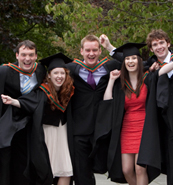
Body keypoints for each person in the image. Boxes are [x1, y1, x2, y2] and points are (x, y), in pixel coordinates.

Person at [93, 42, 173, 185]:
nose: (131, 62)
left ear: (139, 60)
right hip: (127, 129)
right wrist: (111, 80)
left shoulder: (147, 77)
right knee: (127, 170)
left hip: (145, 128)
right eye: (127, 59)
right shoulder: (121, 82)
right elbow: (107, 101)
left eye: (134, 58)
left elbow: (163, 70)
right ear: (124, 62)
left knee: (140, 168)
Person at [1, 53, 75, 185]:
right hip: (46, 134)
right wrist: (12, 101)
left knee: (65, 170)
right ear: (49, 75)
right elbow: (28, 103)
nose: (59, 76)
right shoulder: (42, 91)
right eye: (56, 73)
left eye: (62, 73)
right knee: (46, 170)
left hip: (62, 133)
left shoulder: (69, 90)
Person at [66, 34, 121, 185]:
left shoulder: (110, 66)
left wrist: (109, 47)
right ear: (81, 51)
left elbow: (130, 59)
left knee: (100, 166)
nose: (91, 54)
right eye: (88, 50)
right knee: (82, 172)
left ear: (99, 51)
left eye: (95, 50)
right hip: (79, 129)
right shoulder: (70, 69)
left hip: (102, 128)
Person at [0, 40, 46, 185]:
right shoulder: (5, 71)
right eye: (24, 55)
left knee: (27, 160)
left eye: (31, 55)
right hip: (9, 122)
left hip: (31, 122)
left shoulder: (40, 70)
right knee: (7, 160)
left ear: (36, 56)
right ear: (17, 56)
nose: (27, 59)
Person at [145, 29, 173, 185]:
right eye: (155, 44)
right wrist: (108, 47)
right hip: (170, 122)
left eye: (161, 42)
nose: (159, 46)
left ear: (168, 43)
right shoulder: (152, 66)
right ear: (151, 49)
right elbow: (126, 59)